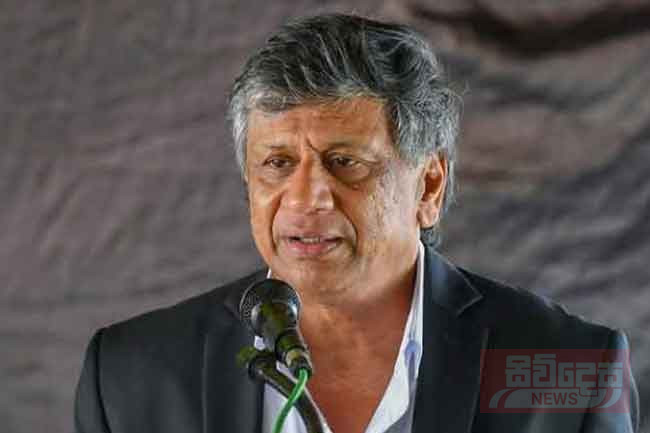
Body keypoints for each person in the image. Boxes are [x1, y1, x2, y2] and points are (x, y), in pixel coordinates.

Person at [74, 13, 639, 433]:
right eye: (278, 163)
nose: (306, 198)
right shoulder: (130, 375)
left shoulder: (570, 374)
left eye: (345, 162)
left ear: (428, 187)